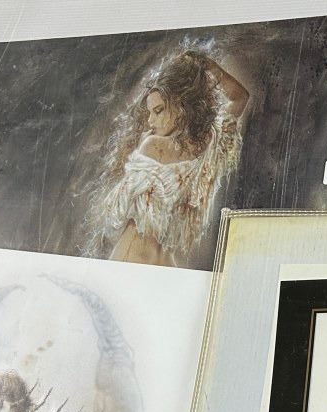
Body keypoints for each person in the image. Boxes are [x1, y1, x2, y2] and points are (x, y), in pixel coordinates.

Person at [89, 45, 249, 267]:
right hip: (164, 263)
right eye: (150, 113)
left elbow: (115, 214)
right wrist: (208, 65)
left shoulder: (152, 145)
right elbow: (240, 98)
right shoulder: (212, 146)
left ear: (181, 105)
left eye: (158, 111)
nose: (150, 121)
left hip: (132, 256)